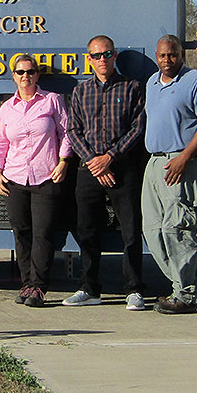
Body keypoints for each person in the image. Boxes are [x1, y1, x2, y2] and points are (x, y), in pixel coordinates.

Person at [64, 35, 148, 309]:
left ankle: (134, 289)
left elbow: (137, 127)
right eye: (96, 55)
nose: (102, 59)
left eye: (107, 54)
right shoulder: (80, 91)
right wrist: (93, 161)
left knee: (131, 230)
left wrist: (110, 157)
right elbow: (73, 131)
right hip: (89, 169)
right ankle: (89, 288)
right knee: (87, 229)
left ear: (114, 56)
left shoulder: (132, 87)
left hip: (122, 168)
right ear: (88, 59)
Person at [142, 34, 197, 314]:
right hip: (155, 163)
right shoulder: (152, 83)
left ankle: (185, 295)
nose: (166, 60)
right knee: (152, 230)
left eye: (172, 55)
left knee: (177, 228)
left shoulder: (196, 81)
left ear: (181, 55)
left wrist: (185, 157)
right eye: (162, 55)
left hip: (181, 163)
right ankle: (179, 285)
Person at [0, 54, 71, 307]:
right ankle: (26, 283)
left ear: (37, 75)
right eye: (20, 72)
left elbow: (67, 133)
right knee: (22, 233)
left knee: (43, 234)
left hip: (46, 177)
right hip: (14, 178)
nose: (26, 76)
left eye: (31, 72)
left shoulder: (52, 101)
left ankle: (38, 286)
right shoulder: (7, 108)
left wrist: (63, 161)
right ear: (13, 76)